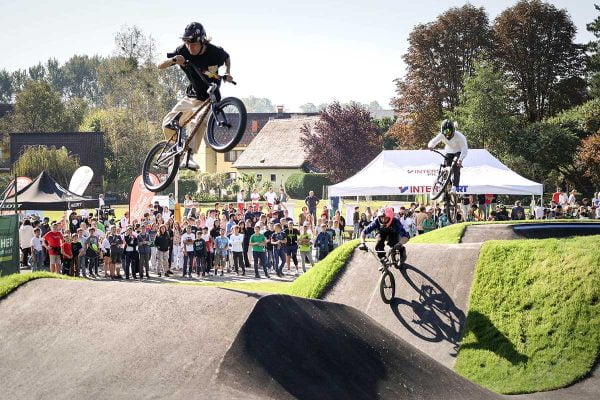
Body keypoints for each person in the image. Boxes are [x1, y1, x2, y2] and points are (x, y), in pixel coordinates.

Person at [159, 22, 233, 170]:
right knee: (167, 123)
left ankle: (189, 156)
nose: (190, 47)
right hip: (191, 96)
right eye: (187, 43)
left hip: (208, 98)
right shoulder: (183, 51)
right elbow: (160, 65)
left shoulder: (214, 52)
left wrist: (228, 72)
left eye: (193, 44)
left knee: (199, 123)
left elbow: (227, 58)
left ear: (202, 41)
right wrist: (174, 60)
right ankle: (176, 152)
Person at [427, 119, 468, 190]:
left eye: (449, 133)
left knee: (455, 166)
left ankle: (455, 188)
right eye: (445, 134)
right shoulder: (441, 135)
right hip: (448, 152)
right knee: (446, 167)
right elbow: (433, 141)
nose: (447, 136)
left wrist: (460, 160)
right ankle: (444, 185)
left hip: (458, 152)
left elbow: (464, 149)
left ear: (453, 131)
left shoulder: (460, 137)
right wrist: (431, 146)